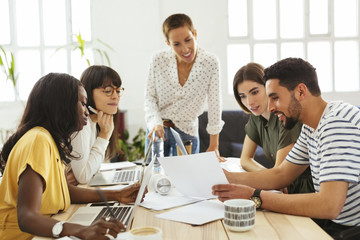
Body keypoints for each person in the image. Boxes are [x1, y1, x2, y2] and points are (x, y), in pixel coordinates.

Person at [213, 58, 360, 239]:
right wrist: (227, 178)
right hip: (337, 225)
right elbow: (281, 174)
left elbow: (329, 205)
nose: (271, 106)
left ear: (300, 91)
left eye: (275, 97)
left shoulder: (337, 124)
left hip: (351, 230)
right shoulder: (311, 126)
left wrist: (255, 197)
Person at [0, 73, 139, 239]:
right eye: (82, 103)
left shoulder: (50, 140)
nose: (86, 111)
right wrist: (81, 230)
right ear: (61, 105)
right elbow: (26, 217)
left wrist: (118, 194)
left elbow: (65, 191)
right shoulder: (38, 139)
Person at [144, 13, 224, 160]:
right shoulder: (158, 60)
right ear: (168, 43)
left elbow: (215, 103)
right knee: (152, 178)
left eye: (188, 40)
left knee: (186, 181)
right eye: (177, 44)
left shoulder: (210, 62)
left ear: (195, 34)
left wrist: (214, 145)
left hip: (187, 133)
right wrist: (155, 123)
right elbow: (150, 97)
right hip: (157, 130)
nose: (185, 49)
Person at [233, 62, 313, 194]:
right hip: (282, 189)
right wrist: (269, 177)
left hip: (306, 192)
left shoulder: (286, 115)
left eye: (255, 92)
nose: (249, 102)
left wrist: (272, 179)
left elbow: (279, 175)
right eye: (243, 96)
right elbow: (245, 160)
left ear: (268, 87)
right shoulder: (256, 118)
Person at [68, 65, 123, 184]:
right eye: (108, 91)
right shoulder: (81, 126)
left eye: (118, 91)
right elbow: (83, 177)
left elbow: (93, 169)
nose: (115, 96)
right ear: (87, 92)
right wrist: (104, 135)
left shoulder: (94, 122)